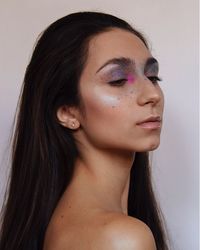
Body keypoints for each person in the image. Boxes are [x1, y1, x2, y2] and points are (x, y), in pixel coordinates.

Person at [0, 11, 169, 250]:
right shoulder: (121, 238)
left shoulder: (62, 223)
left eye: (152, 76)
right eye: (119, 80)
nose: (153, 94)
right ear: (68, 112)